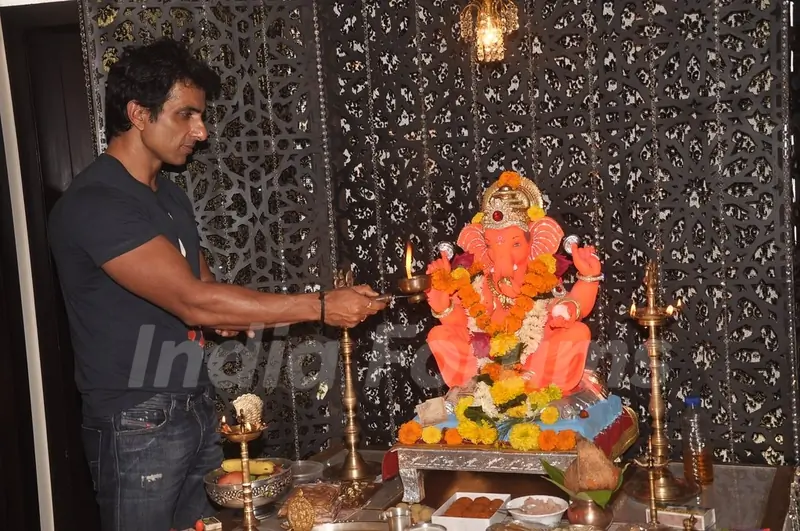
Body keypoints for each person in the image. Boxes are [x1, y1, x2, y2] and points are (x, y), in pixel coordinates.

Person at [48, 37, 386, 531]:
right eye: (186, 115)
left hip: (193, 400)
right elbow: (194, 301)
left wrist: (230, 317)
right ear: (138, 113)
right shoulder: (97, 203)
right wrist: (319, 306)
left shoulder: (170, 197)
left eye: (200, 116)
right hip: (136, 418)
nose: (201, 132)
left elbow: (203, 286)